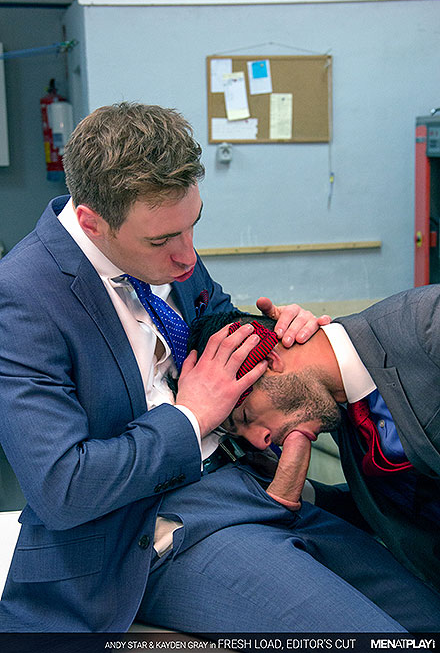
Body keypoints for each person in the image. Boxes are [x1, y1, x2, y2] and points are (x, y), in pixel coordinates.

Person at [0, 101, 428, 635]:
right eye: (162, 241)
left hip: (245, 487)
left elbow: (218, 329)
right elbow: (63, 489)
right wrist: (191, 419)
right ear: (92, 223)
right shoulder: (22, 298)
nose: (187, 257)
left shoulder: (165, 243)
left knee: (424, 616)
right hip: (152, 530)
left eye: (192, 226)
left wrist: (278, 335)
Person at [187, 285, 440, 599]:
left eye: (246, 417)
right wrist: (300, 494)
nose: (261, 442)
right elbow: (407, 505)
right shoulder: (347, 416)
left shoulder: (429, 323)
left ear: (271, 361)